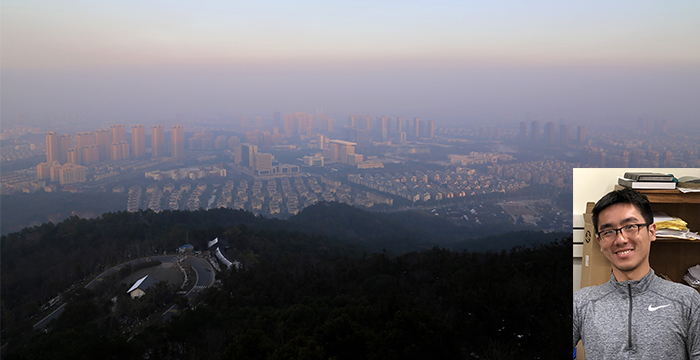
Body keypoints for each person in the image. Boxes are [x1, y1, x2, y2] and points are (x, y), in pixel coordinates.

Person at [573, 187, 700, 359]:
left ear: (651, 231)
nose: (621, 239)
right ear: (600, 242)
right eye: (608, 231)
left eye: (630, 227)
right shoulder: (582, 303)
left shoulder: (688, 301)